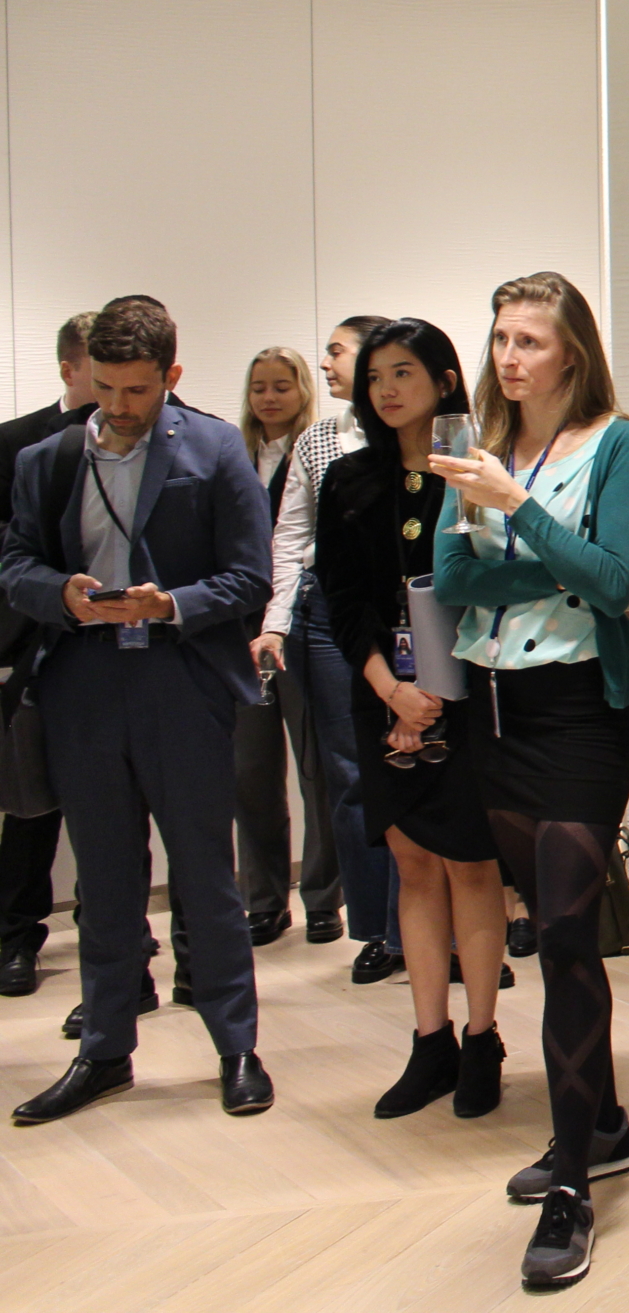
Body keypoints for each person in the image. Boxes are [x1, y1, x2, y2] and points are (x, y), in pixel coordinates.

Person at [429, 271, 629, 1289]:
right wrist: (552, 557)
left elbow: (614, 581)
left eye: (529, 340)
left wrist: (517, 509)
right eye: (501, 340)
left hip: (579, 717)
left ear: (572, 351)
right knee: (549, 928)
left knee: (565, 937)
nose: (509, 357)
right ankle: (601, 1126)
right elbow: (453, 581)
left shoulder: (619, 443)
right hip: (498, 714)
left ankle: (571, 1183)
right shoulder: (478, 444)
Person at [3, 297, 277, 1125]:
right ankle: (105, 1048)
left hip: (181, 680)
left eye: (137, 389)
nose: (118, 406)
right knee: (105, 877)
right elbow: (14, 564)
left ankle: (236, 1046)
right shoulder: (47, 459)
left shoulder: (215, 448)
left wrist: (171, 604)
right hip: (82, 683)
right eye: (106, 386)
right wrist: (61, 593)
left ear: (171, 376)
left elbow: (251, 577)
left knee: (204, 871)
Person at [315, 319, 510, 1120]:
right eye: (375, 377)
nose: (387, 389)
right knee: (414, 863)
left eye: (403, 372)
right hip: (384, 695)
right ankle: (431, 1040)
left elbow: (496, 585)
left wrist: (432, 687)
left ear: (444, 380)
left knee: (471, 864)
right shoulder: (349, 479)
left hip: (467, 693)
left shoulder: (476, 470)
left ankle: (483, 1037)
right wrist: (392, 693)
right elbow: (342, 602)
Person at [257, 314, 400, 983]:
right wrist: (276, 622)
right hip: (324, 611)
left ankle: (433, 926)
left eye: (337, 351)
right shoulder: (317, 438)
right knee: (348, 774)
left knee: (420, 764)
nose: (326, 363)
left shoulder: (423, 432)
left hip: (404, 608)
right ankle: (378, 930)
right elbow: (290, 538)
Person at [0, 311, 100, 1000]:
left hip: (118, 647)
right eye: (101, 365)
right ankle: (15, 937)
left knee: (113, 806)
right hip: (33, 645)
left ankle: (113, 934)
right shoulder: (16, 443)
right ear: (70, 367)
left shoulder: (148, 440)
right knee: (30, 805)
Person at [230, 345, 327, 948]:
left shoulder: (316, 450)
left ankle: (323, 898)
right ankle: (264, 901)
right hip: (240, 630)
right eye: (259, 387)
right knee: (251, 773)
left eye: (281, 387)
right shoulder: (232, 454)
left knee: (317, 770)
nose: (268, 398)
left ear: (302, 392)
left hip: (300, 624)